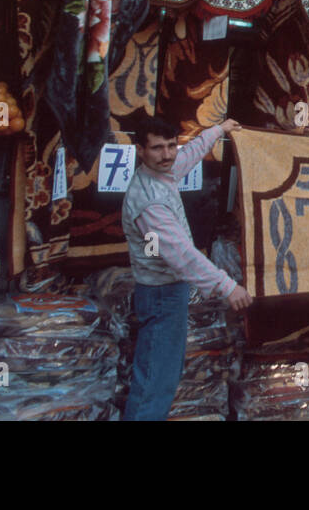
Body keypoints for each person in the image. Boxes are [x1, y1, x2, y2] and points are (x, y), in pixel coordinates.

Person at [122, 114, 252, 420]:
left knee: (161, 373)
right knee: (156, 381)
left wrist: (219, 129)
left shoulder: (161, 173)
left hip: (167, 293)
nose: (167, 155)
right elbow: (180, 253)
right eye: (157, 148)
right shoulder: (149, 202)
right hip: (161, 295)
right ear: (140, 150)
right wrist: (226, 285)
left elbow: (189, 154)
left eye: (170, 146)